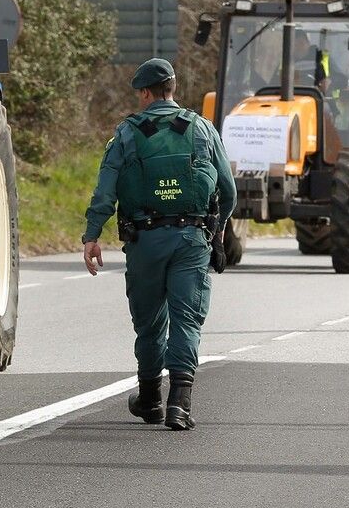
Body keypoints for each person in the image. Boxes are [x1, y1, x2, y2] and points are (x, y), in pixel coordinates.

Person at [82, 58, 235, 431]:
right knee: (187, 319)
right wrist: (218, 230)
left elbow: (106, 190)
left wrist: (92, 235)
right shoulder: (201, 128)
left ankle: (150, 398)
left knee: (150, 322)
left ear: (146, 92)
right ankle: (179, 404)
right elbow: (228, 190)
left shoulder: (127, 134)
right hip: (191, 239)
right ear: (174, 88)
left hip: (144, 240)